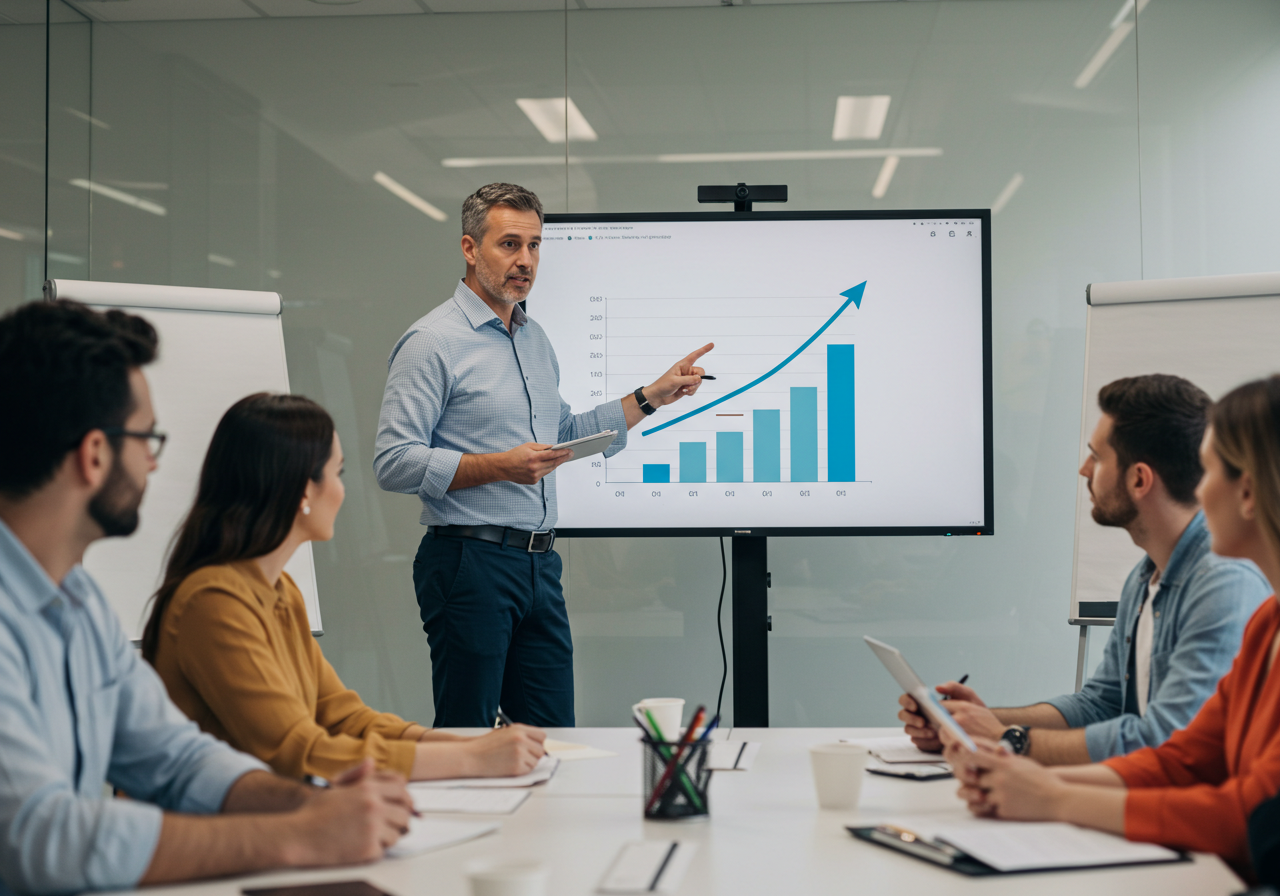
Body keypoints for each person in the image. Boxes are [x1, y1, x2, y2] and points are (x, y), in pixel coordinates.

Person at [0, 300, 414, 896]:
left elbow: (174, 758)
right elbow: (41, 838)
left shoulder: (80, 604)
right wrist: (297, 835)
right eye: (147, 439)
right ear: (94, 455)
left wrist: (304, 804)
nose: (152, 461)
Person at [374, 182, 712, 727]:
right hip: (469, 562)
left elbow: (565, 433)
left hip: (539, 566)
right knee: (469, 736)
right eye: (509, 244)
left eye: (534, 246)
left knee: (553, 735)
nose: (525, 261)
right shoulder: (431, 342)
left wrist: (651, 396)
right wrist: (499, 466)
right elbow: (394, 461)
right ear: (469, 248)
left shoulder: (534, 339)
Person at [940, 374, 1280, 877]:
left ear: (1248, 492)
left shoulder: (1228, 584)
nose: (1197, 490)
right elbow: (1179, 759)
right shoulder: (1266, 624)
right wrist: (1019, 771)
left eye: (1208, 472)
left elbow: (1248, 818)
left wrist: (1050, 791)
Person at [143, 392, 547, 782]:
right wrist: (470, 757)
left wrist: (462, 742)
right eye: (337, 473)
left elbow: (340, 716)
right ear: (305, 489)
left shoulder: (278, 589)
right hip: (212, 837)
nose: (342, 490)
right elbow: (297, 751)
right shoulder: (214, 601)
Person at [900, 374, 1269, 764]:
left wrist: (1010, 740)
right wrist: (976, 721)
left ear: (1139, 479)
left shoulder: (1224, 583)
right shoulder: (1146, 576)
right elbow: (1101, 704)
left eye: (1097, 455)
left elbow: (1168, 737)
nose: (1084, 469)